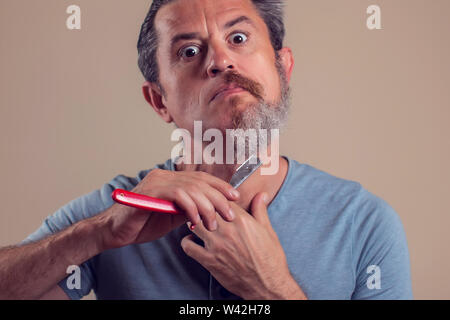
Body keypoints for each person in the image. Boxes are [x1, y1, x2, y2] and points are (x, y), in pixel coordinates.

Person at [0, 0, 413, 300]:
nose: (219, 59)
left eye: (238, 37)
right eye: (189, 51)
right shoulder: (118, 210)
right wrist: (95, 235)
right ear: (159, 101)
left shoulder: (364, 224)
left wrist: (273, 288)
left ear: (283, 70)